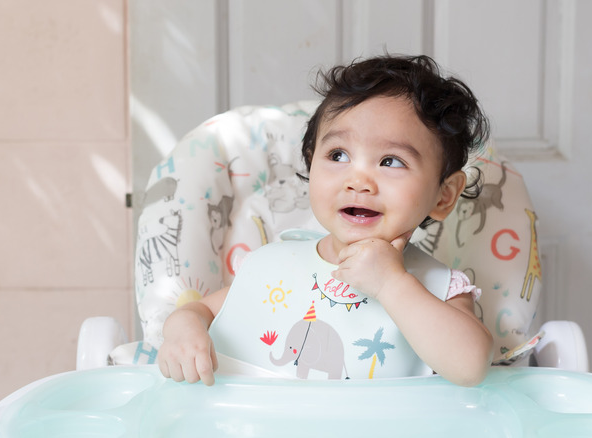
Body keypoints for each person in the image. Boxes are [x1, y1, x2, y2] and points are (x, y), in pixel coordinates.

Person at [157, 54, 494, 387]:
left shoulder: (439, 289)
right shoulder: (272, 266)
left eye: (390, 161)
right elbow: (199, 312)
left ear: (444, 195)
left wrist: (391, 284)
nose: (358, 180)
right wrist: (183, 329)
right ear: (310, 162)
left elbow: (471, 367)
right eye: (338, 155)